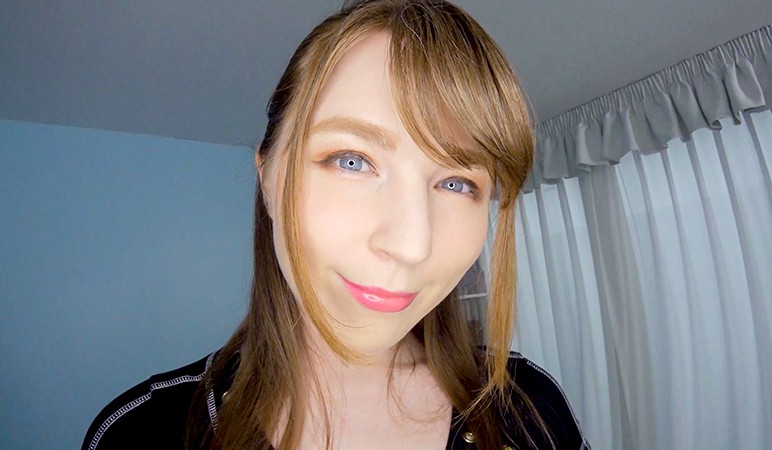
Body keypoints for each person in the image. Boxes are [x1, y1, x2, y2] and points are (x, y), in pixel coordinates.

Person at [82, 0, 589, 449]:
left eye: (456, 183)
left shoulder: (530, 410)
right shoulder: (140, 434)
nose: (412, 244)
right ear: (269, 177)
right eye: (353, 161)